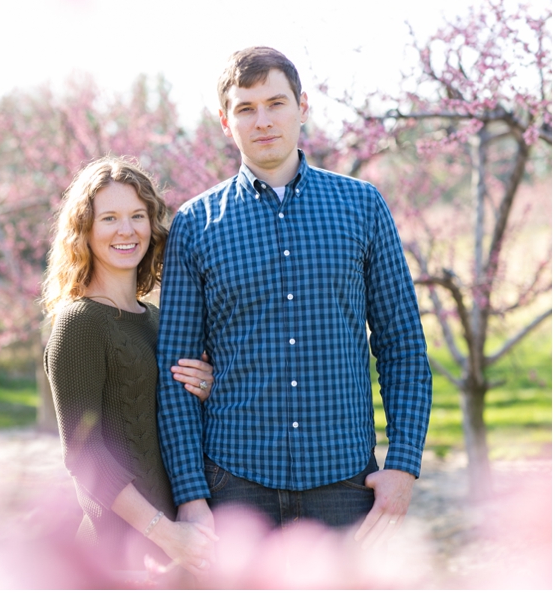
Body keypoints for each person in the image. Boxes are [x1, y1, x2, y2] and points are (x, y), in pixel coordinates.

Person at [155, 46, 433, 560]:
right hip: (234, 486)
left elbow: (403, 350)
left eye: (275, 103)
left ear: (302, 106)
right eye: (246, 108)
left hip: (345, 487)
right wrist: (191, 495)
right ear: (225, 121)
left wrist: (403, 463)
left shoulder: (362, 207)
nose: (263, 120)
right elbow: (174, 375)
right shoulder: (195, 225)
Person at [41, 157, 219, 579]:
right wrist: (165, 533)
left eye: (137, 215)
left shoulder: (157, 320)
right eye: (110, 218)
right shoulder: (79, 323)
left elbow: (171, 420)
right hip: (116, 553)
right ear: (84, 231)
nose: (127, 230)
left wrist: (208, 390)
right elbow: (84, 454)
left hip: (178, 547)